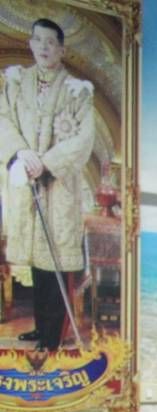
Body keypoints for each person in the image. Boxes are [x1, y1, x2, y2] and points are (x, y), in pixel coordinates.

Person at [0, 18, 94, 351]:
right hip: (26, 180)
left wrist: (47, 163)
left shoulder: (76, 90)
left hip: (58, 187)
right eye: (38, 40)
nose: (43, 47)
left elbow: (84, 138)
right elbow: (3, 118)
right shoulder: (14, 83)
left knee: (54, 263)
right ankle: (41, 328)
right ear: (30, 44)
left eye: (50, 42)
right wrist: (21, 153)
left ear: (61, 49)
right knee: (38, 263)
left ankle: (54, 335)